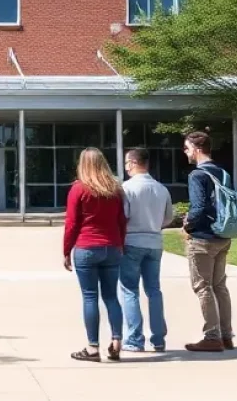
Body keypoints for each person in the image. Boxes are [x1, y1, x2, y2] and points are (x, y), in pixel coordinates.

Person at [63, 147, 127, 363]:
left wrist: (66, 251)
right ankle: (117, 341)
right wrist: (121, 244)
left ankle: (92, 348)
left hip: (87, 247)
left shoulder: (79, 189)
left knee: (90, 296)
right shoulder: (115, 189)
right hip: (112, 247)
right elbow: (121, 221)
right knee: (111, 296)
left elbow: (71, 224)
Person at [182, 130, 233, 353]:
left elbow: (199, 207)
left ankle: (212, 336)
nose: (185, 152)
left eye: (186, 148)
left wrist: (187, 225)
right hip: (222, 235)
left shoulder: (197, 175)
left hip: (202, 238)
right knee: (220, 286)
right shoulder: (222, 173)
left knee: (203, 287)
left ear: (196, 149)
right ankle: (226, 334)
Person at [119, 148, 175, 352]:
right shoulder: (161, 189)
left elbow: (123, 217)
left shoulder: (126, 188)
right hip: (154, 242)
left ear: (133, 162)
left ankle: (134, 339)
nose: (126, 167)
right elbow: (168, 217)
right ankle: (158, 337)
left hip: (132, 241)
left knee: (129, 290)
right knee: (153, 290)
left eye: (126, 163)